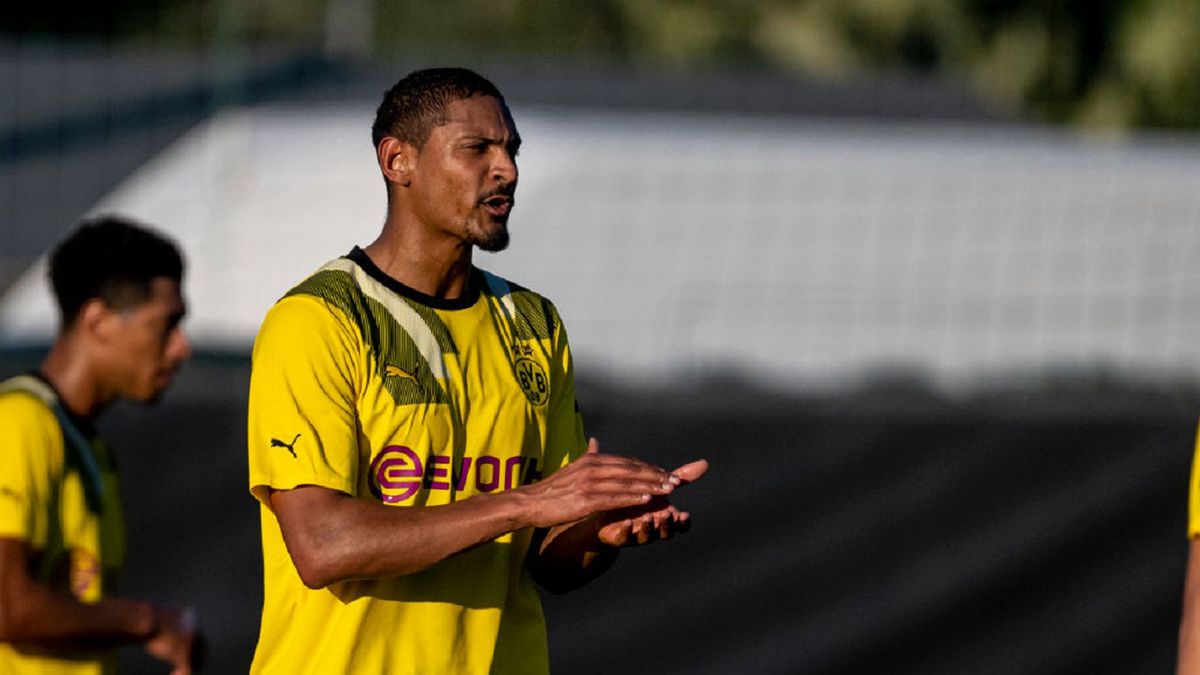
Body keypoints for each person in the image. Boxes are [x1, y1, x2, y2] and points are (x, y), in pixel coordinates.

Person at [246, 67, 708, 674]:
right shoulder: (319, 319)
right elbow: (324, 546)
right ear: (397, 161)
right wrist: (523, 503)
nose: (507, 170)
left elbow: (547, 555)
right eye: (477, 149)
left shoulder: (533, 323)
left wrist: (600, 533)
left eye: (511, 150)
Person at [0, 216, 202, 674]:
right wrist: (149, 622)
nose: (181, 348)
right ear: (98, 321)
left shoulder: (91, 450)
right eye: (166, 324)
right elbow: (8, 607)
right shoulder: (19, 423)